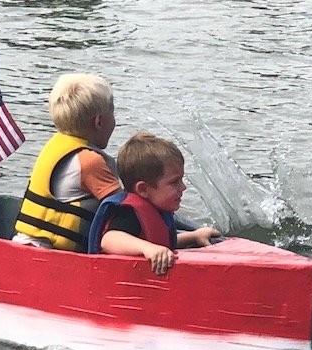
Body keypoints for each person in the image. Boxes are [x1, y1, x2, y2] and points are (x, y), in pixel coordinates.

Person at [13, 73, 121, 252]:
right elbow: (127, 210)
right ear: (99, 122)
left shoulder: (56, 146)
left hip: (24, 245)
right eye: (113, 114)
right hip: (53, 256)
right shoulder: (90, 162)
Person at [88, 131, 221, 275]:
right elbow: (109, 239)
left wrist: (193, 236)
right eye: (174, 182)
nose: (183, 187)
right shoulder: (129, 213)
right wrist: (148, 248)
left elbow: (162, 241)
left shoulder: (158, 210)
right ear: (143, 189)